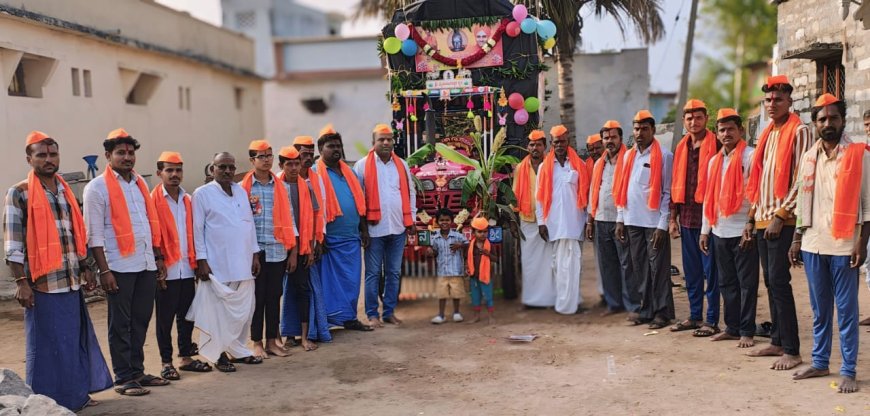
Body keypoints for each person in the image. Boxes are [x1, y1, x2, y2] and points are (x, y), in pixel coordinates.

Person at [4, 131, 113, 409]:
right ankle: (47, 403)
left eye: (53, 154)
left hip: (71, 281)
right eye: (41, 155)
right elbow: (13, 243)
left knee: (73, 341)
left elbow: (76, 236)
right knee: (47, 347)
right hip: (43, 284)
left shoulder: (64, 190)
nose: (48, 159)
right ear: (30, 159)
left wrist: (87, 267)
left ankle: (77, 396)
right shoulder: (19, 193)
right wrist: (21, 281)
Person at [789, 94, 870, 393]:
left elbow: (868, 205)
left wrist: (861, 243)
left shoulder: (859, 154)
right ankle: (820, 361)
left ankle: (848, 370)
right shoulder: (809, 157)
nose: (827, 123)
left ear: (842, 119)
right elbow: (801, 201)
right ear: (815, 123)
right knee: (819, 309)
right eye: (822, 119)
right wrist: (797, 237)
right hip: (813, 243)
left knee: (847, 311)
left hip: (844, 245)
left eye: (833, 118)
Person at [83, 128, 169, 395]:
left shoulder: (140, 184)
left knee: (141, 320)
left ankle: (138, 371)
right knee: (120, 324)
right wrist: (104, 270)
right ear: (108, 156)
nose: (127, 157)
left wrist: (157, 257)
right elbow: (94, 235)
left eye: (131, 153)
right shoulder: (96, 188)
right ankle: (123, 378)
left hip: (144, 264)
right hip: (118, 267)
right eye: (121, 153)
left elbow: (148, 225)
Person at [744, 75, 812, 371]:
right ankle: (777, 340)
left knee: (780, 283)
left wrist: (782, 216)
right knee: (770, 282)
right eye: (768, 100)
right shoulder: (768, 131)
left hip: (781, 221)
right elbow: (759, 179)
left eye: (778, 99)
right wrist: (752, 217)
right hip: (762, 218)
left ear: (790, 102)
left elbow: (802, 178)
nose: (772, 104)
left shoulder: (800, 131)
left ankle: (793, 350)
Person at [187, 152, 262, 373]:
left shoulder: (240, 191)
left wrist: (255, 254)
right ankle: (218, 354)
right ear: (212, 169)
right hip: (217, 264)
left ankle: (238, 350)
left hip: (244, 261)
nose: (228, 171)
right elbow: (197, 230)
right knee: (218, 313)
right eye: (222, 167)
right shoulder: (202, 194)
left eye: (231, 167)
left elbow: (249, 225)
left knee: (244, 310)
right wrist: (201, 260)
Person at [699, 109, 758, 348]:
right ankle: (732, 327)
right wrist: (705, 230)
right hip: (719, 230)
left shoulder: (750, 156)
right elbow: (708, 199)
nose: (726, 133)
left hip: (743, 231)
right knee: (726, 283)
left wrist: (750, 225)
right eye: (721, 130)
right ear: (716, 133)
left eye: (731, 129)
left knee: (747, 284)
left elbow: (756, 195)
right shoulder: (714, 161)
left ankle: (746, 331)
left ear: (741, 131)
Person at [151, 152, 212, 379]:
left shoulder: (189, 200)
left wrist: (198, 262)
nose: (174, 174)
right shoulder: (152, 200)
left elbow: (196, 232)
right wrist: (158, 263)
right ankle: (167, 362)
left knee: (187, 316)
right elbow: (152, 234)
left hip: (187, 266)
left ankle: (185, 357)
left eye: (178, 170)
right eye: (169, 170)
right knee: (164, 319)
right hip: (165, 269)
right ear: (159, 173)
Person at [614, 111, 674, 329]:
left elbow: (667, 193)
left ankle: (662, 312)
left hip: (653, 223)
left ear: (653, 130)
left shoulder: (664, 155)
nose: (640, 133)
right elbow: (622, 188)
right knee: (640, 267)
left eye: (644, 129)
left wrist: (662, 225)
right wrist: (620, 219)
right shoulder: (628, 156)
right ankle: (646, 310)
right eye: (636, 129)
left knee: (658, 267)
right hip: (632, 220)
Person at [354, 124, 416, 327]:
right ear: (374, 142)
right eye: (382, 139)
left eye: (389, 139)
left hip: (398, 227)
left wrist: (412, 219)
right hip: (375, 229)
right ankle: (372, 314)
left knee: (394, 272)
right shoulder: (362, 165)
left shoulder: (402, 165)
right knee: (373, 273)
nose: (386, 142)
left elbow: (410, 193)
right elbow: (358, 198)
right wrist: (363, 229)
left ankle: (389, 311)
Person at [240, 140, 298, 358]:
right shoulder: (243, 189)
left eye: (269, 156)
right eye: (261, 156)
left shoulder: (281, 187)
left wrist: (292, 251)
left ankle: (272, 340)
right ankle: (256, 342)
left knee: (274, 296)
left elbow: (291, 220)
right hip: (253, 252)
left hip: (277, 250)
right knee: (257, 298)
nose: (266, 160)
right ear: (252, 160)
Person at [669, 99, 722, 337]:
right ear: (683, 121)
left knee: (711, 272)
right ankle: (694, 315)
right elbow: (674, 185)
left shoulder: (718, 144)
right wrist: (673, 218)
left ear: (706, 119)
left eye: (698, 117)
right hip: (688, 219)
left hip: (710, 220)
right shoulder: (681, 147)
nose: (694, 122)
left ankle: (711, 320)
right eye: (689, 118)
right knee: (690, 272)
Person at [314, 124, 373, 331]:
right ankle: (327, 320)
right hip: (329, 239)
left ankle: (349, 318)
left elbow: (360, 204)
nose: (336, 149)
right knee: (328, 283)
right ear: (320, 150)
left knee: (351, 281)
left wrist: (364, 230)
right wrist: (318, 238)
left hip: (351, 237)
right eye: (331, 146)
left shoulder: (350, 172)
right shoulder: (315, 172)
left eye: (338, 145)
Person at [536, 125, 590, 315]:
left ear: (568, 142)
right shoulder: (544, 167)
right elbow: (539, 198)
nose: (559, 145)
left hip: (575, 223)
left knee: (574, 264)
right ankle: (562, 302)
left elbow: (586, 195)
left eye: (563, 141)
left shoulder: (578, 165)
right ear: (551, 143)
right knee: (557, 265)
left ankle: (574, 302)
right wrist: (541, 222)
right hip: (554, 223)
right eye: (556, 142)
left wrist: (587, 221)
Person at [587, 120, 638, 317]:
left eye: (613, 137)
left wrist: (621, 219)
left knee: (627, 264)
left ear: (620, 138)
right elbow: (594, 191)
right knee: (607, 264)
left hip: (622, 220)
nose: (610, 141)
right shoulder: (600, 162)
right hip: (601, 219)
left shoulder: (629, 160)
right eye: (606, 138)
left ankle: (632, 304)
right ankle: (614, 303)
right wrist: (590, 220)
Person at [277, 144, 319, 351]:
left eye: (296, 163)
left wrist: (310, 248)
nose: (294, 168)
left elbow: (313, 218)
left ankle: (304, 337)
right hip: (278, 248)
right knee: (275, 293)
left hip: (302, 248)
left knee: (302, 290)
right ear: (281, 165)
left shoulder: (307, 187)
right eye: (289, 164)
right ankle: (281, 337)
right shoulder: (275, 187)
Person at [291, 135, 332, 343]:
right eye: (302, 154)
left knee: (308, 288)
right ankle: (288, 332)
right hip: (286, 247)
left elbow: (320, 210)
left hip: (310, 244)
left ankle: (314, 332)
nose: (307, 158)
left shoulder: (315, 178)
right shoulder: (281, 178)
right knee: (286, 291)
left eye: (309, 154)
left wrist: (318, 240)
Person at [514, 130, 555, 308]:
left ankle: (551, 298)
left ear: (544, 146)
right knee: (530, 261)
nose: (535, 147)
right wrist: (514, 221)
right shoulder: (520, 168)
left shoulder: (553, 165)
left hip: (551, 219)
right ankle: (531, 300)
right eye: (532, 144)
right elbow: (515, 195)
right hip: (528, 220)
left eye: (539, 144)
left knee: (550, 261)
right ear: (527, 147)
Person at [427, 208, 469, 323]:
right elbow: (435, 252)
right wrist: (431, 253)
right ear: (437, 222)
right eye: (441, 220)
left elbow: (468, 244)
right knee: (442, 295)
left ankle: (456, 312)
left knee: (456, 294)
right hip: (442, 272)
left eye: (447, 220)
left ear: (451, 221)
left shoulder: (457, 236)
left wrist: (460, 245)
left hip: (456, 271)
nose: (444, 222)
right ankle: (441, 315)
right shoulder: (435, 238)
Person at [585, 132, 605, 305]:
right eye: (591, 149)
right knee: (600, 258)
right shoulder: (587, 165)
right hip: (595, 217)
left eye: (597, 147)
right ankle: (604, 293)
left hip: (614, 217)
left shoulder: (614, 161)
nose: (594, 151)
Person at [467, 217, 495, 324]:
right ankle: (476, 317)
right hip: (474, 276)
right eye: (480, 231)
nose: (483, 234)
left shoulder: (490, 246)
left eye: (485, 231)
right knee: (475, 297)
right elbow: (467, 258)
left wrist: (488, 254)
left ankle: (491, 317)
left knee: (488, 297)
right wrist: (467, 268)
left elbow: (496, 259)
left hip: (486, 276)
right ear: (474, 232)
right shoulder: (471, 246)